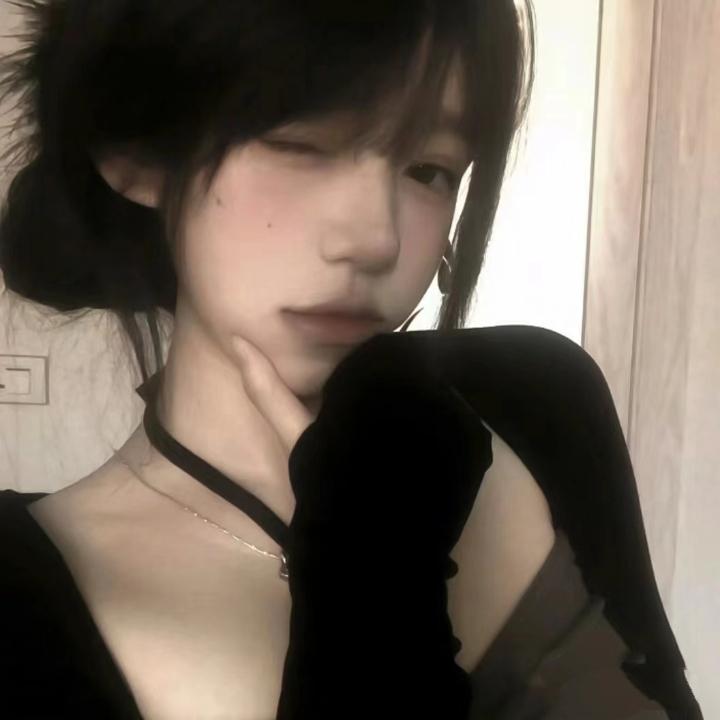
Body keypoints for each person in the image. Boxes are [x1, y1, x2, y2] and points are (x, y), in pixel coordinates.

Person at [0, 1, 703, 718]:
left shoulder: (530, 406)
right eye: (301, 143)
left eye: (428, 170)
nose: (376, 239)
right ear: (138, 153)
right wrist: (371, 591)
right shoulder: (24, 595)